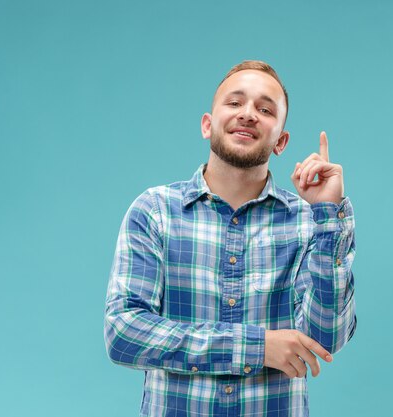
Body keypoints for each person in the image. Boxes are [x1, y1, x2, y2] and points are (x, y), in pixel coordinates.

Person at [104, 60, 357, 417]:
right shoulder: (155, 211)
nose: (249, 114)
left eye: (265, 109)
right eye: (235, 103)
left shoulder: (306, 222)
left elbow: (324, 338)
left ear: (281, 141)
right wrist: (256, 348)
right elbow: (124, 333)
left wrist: (328, 215)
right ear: (208, 125)